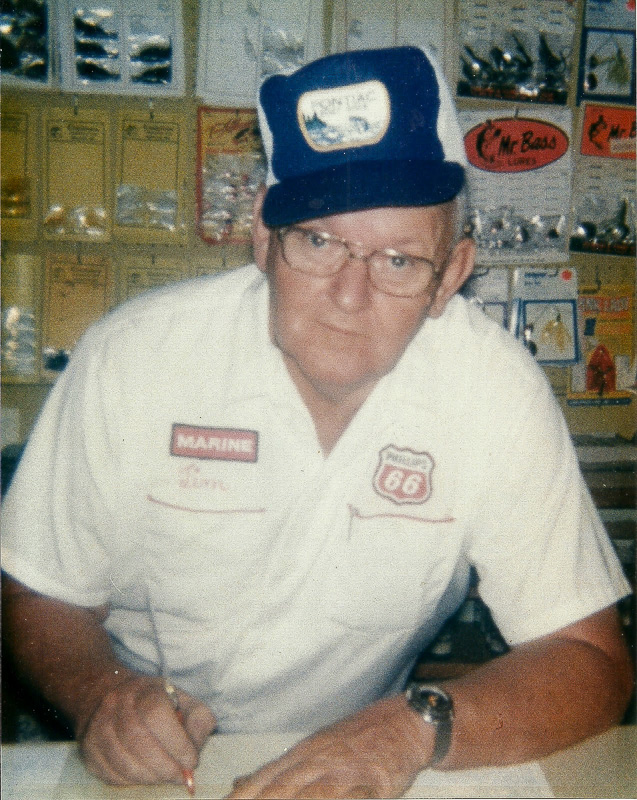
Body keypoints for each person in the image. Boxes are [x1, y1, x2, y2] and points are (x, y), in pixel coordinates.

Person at [1, 45, 633, 800]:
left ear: (450, 277)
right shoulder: (134, 357)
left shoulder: (492, 387)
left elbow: (590, 657)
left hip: (362, 756)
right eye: (319, 241)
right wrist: (99, 693)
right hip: (142, 761)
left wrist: (412, 727)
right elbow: (38, 589)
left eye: (398, 260)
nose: (349, 294)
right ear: (263, 239)